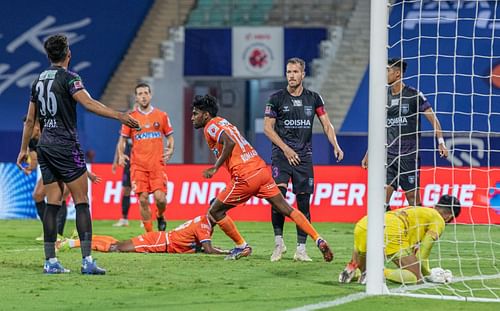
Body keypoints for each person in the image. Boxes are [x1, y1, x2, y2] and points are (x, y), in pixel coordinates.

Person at [16, 34, 139, 275]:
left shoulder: (38, 80)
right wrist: (119, 115)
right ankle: (87, 261)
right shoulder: (71, 78)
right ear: (68, 54)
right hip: (65, 145)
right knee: (82, 201)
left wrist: (23, 149)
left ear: (48, 55)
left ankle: (50, 262)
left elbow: (31, 119)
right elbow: (89, 104)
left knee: (53, 202)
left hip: (45, 147)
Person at [191, 94, 333, 262]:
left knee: (215, 211)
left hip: (245, 176)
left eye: (195, 113)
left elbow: (229, 143)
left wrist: (215, 167)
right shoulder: (223, 121)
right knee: (288, 209)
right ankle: (318, 239)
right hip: (260, 170)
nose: (192, 118)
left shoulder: (211, 126)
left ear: (206, 114)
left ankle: (241, 246)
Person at [264, 57, 344, 262]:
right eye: (288, 72)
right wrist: (286, 149)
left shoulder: (314, 98)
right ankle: (278, 244)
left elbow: (326, 124)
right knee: (278, 199)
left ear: (303, 75)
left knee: (303, 203)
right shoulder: (276, 98)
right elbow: (267, 128)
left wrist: (335, 144)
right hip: (281, 156)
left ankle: (301, 249)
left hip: (304, 158)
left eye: (295, 72)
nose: (291, 76)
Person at [362, 58, 448, 209]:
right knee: (382, 200)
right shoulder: (383, 96)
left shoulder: (414, 95)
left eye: (387, 70)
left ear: (397, 73)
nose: (384, 74)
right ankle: (386, 231)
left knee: (413, 200)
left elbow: (434, 120)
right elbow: (380, 129)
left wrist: (441, 142)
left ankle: (421, 229)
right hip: (388, 155)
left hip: (409, 155)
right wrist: (369, 153)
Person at [338, 194, 461, 285]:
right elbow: (423, 252)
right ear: (449, 216)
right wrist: (428, 274)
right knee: (415, 277)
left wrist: (426, 270)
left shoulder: (421, 211)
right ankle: (376, 272)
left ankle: (352, 270)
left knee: (362, 268)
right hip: (391, 230)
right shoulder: (439, 220)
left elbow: (417, 252)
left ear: (436, 205)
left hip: (364, 224)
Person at [24, 117, 101, 239]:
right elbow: (33, 160)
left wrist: (88, 174)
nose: (26, 130)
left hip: (67, 169)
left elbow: (74, 155)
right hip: (51, 170)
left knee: (60, 198)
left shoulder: (52, 134)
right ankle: (49, 230)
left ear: (37, 126)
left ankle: (58, 234)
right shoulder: (31, 140)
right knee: (37, 195)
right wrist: (29, 168)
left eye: (28, 126)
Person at [118, 83, 174, 232]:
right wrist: (121, 154)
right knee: (143, 199)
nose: (143, 96)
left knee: (160, 199)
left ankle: (160, 215)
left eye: (145, 93)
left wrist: (171, 149)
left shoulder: (161, 116)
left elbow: (169, 137)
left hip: (157, 165)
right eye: (140, 94)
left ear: (150, 95)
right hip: (138, 166)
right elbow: (122, 139)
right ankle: (150, 236)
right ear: (136, 97)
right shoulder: (131, 118)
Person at [57, 214, 228, 255]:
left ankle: (78, 239)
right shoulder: (205, 225)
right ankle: (70, 244)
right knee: (116, 248)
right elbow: (208, 249)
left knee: (117, 243)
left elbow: (201, 246)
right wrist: (225, 252)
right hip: (160, 242)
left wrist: (213, 248)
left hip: (162, 238)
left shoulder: (202, 221)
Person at [111, 133, 132, 227]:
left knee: (144, 191)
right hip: (128, 163)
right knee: (126, 190)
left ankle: (145, 219)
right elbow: (120, 143)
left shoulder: (142, 125)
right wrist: (115, 161)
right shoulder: (126, 126)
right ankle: (124, 218)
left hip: (141, 162)